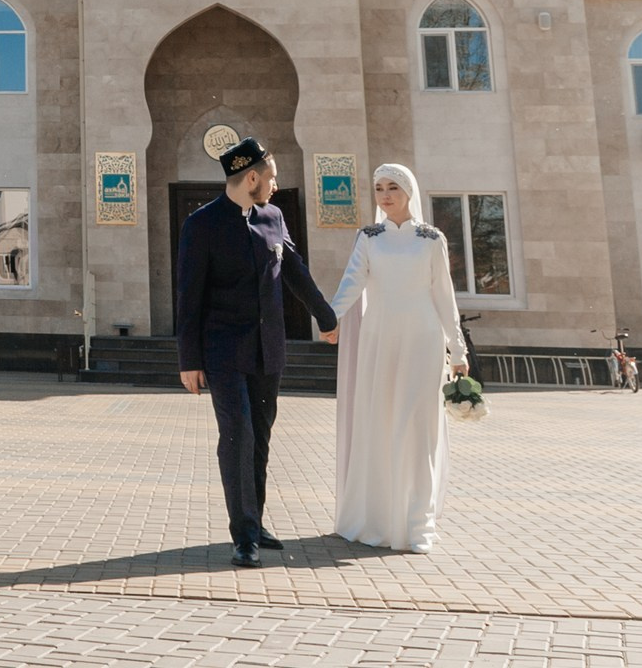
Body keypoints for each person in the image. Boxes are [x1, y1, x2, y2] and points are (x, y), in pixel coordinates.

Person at [176, 136, 339, 568]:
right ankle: (243, 535)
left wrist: (327, 318)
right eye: (271, 177)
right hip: (223, 350)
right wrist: (188, 359)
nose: (275, 184)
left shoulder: (273, 216)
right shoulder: (202, 224)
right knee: (238, 434)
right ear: (251, 178)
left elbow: (295, 271)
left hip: (268, 350)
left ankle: (256, 521)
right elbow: (188, 296)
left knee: (260, 437)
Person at [328, 163, 470, 552]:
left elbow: (444, 296)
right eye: (379, 188)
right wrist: (329, 317)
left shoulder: (431, 239)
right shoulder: (369, 237)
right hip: (379, 338)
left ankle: (414, 523)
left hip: (423, 339)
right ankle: (374, 519)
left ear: (409, 191)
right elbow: (352, 281)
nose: (386, 195)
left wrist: (457, 349)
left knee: (416, 426)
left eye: (393, 187)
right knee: (380, 420)